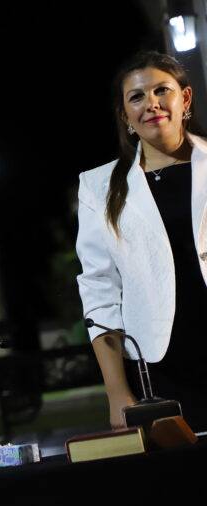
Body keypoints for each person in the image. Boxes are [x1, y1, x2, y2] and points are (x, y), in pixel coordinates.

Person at [76, 51, 207, 432]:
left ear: (184, 98)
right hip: (160, 370)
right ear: (125, 116)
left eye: (161, 90)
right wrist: (116, 391)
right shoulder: (98, 187)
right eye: (136, 97)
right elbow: (99, 291)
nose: (151, 104)